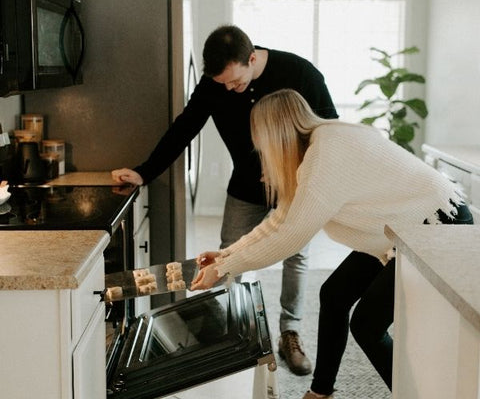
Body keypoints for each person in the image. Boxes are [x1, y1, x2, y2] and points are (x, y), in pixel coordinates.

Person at [191, 89, 473, 399]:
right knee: (335, 294)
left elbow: (290, 236)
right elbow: (280, 222)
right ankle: (320, 392)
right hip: (401, 229)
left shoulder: (325, 155)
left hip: (435, 224)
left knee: (366, 325)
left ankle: (412, 395)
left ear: (274, 134)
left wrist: (226, 268)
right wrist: (227, 254)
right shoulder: (317, 147)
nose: (258, 146)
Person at [111, 25, 338, 375]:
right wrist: (145, 171)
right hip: (245, 187)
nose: (230, 90)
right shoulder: (216, 84)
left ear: (251, 58)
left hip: (295, 185)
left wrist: (298, 169)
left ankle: (289, 333)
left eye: (235, 82)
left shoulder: (299, 72)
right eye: (223, 85)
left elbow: (329, 129)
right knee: (229, 253)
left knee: (297, 255)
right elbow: (184, 127)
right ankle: (237, 331)